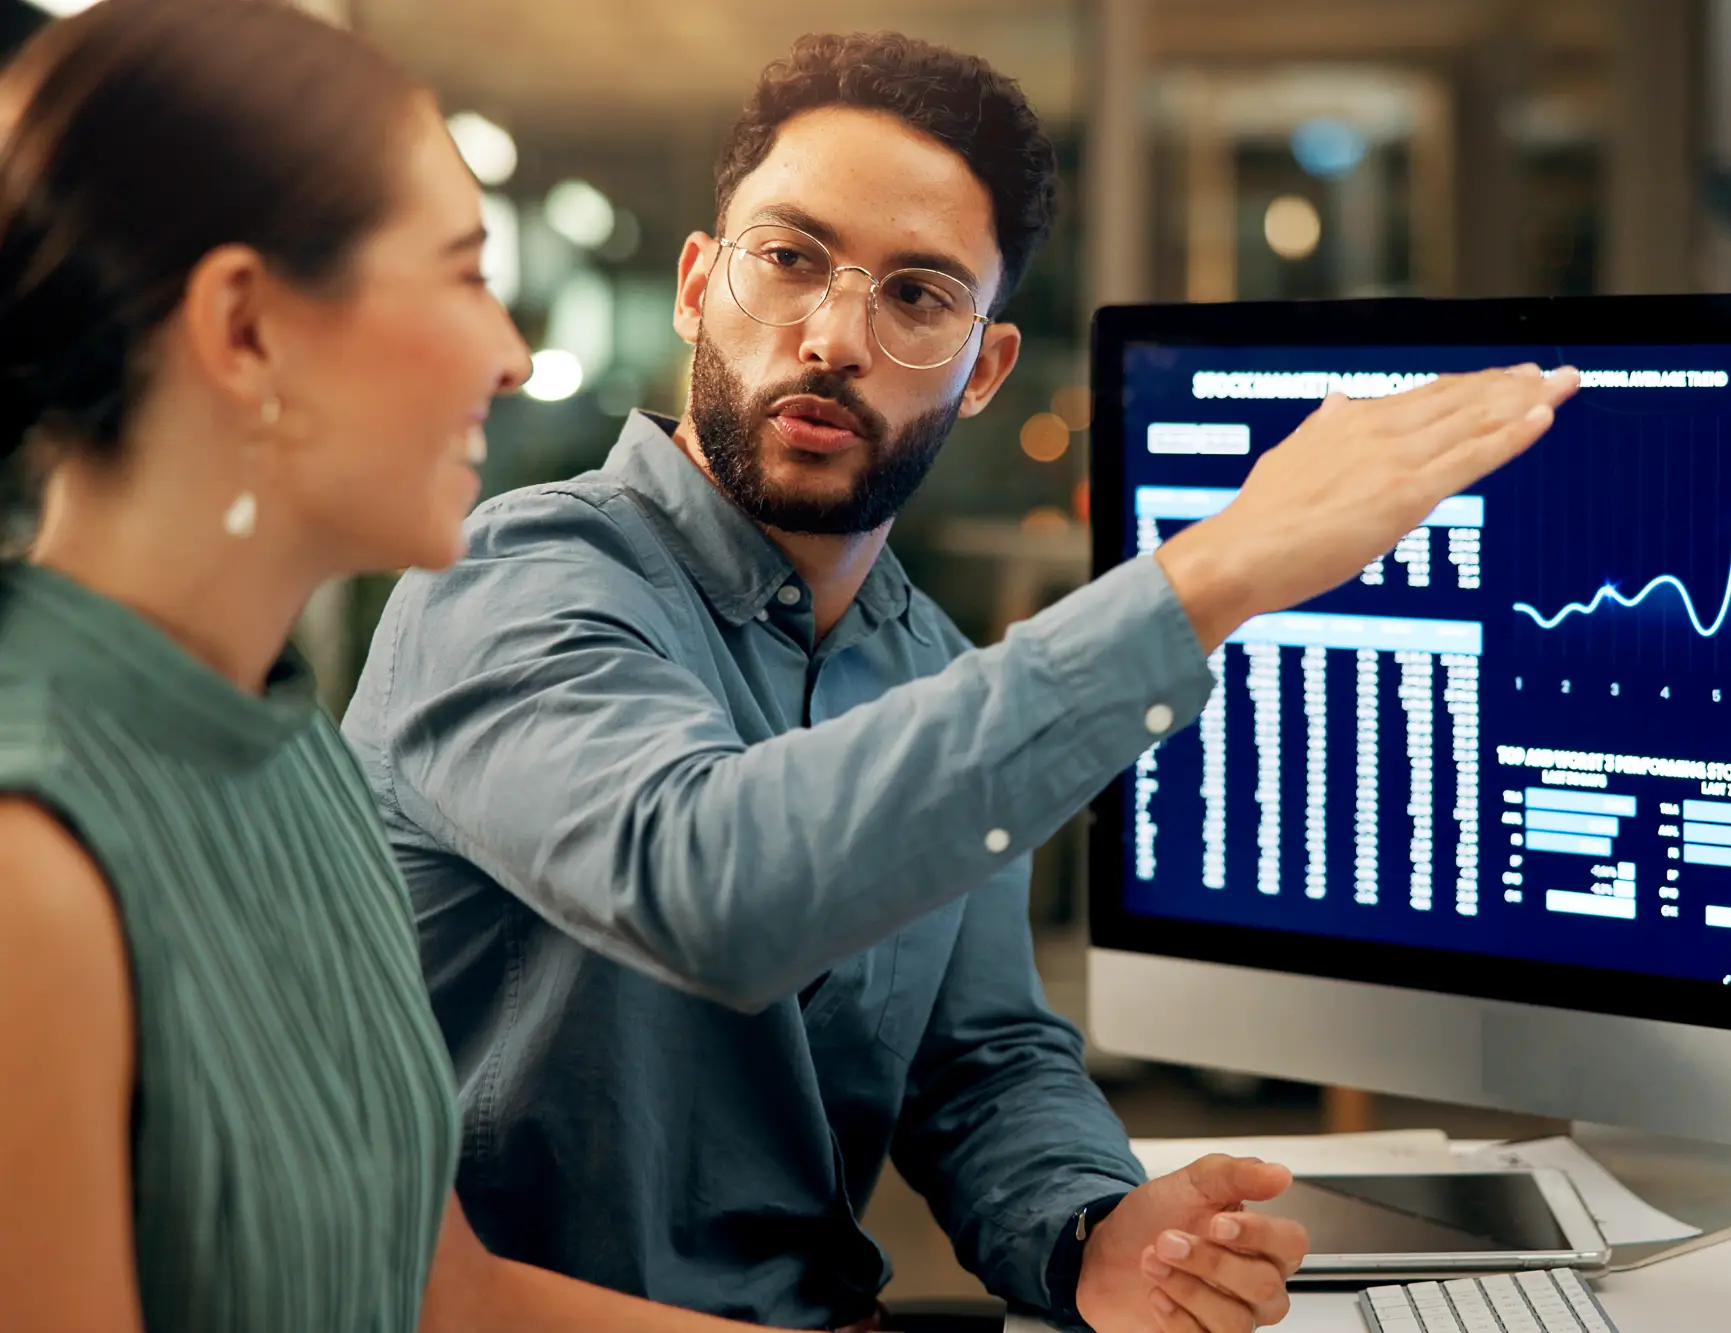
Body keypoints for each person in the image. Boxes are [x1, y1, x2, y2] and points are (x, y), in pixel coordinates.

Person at [340, 30, 1578, 1333]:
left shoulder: (928, 667)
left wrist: (1095, 1227)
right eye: (790, 259)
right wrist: (1213, 572)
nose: (832, 336)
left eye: (918, 296)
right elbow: (707, 875)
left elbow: (979, 1059)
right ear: (700, 286)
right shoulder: (511, 578)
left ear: (984, 367)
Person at [0, 5, 896, 1332]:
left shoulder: (285, 746)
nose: (512, 352)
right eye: (462, 273)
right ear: (246, 330)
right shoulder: (32, 872)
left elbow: (447, 1295)